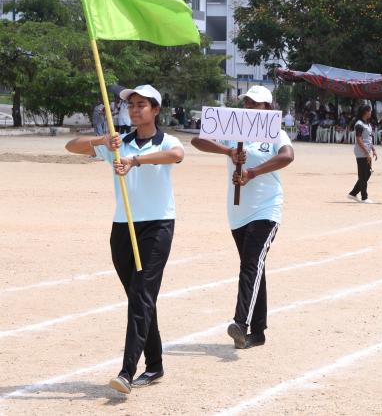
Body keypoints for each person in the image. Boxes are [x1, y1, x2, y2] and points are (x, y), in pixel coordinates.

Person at [65, 84, 184, 394]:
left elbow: (176, 155)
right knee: (139, 298)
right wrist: (102, 140)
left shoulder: (166, 141)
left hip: (157, 226)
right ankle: (155, 364)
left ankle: (127, 372)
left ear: (155, 110)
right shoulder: (120, 143)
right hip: (123, 226)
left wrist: (135, 161)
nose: (134, 110)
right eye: (131, 105)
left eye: (141, 105)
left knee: (142, 295)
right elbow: (71, 146)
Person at [191, 86, 294, 351]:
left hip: (266, 209)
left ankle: (241, 323)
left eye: (256, 104)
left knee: (250, 265)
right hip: (238, 213)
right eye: (247, 102)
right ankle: (258, 332)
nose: (249, 107)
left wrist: (253, 172)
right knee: (255, 267)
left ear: (267, 108)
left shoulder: (274, 131)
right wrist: (228, 152)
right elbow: (197, 141)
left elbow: (287, 156)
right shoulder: (233, 129)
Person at [347, 104, 377, 203]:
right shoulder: (359, 124)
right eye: (370, 111)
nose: (371, 113)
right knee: (363, 175)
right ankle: (364, 197)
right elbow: (359, 140)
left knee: (367, 173)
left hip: (367, 151)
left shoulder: (368, 124)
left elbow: (369, 138)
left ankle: (353, 193)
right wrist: (366, 153)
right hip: (361, 152)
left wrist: (373, 149)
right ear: (365, 112)